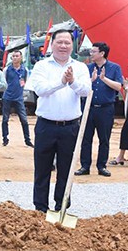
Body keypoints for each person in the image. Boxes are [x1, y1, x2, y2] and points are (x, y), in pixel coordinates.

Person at [29, 29, 92, 213]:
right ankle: (40, 208)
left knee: (66, 169)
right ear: (52, 43)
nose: (63, 46)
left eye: (67, 42)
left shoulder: (80, 67)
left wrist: (72, 82)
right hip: (46, 125)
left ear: (72, 46)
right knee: (42, 169)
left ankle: (62, 206)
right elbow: (40, 90)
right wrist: (61, 81)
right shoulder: (42, 66)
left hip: (70, 127)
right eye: (60, 42)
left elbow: (86, 91)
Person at [75, 42, 123, 177]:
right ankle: (85, 166)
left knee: (104, 138)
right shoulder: (86, 68)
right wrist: (92, 79)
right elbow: (81, 86)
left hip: (105, 109)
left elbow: (118, 87)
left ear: (102, 53)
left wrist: (103, 79)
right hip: (88, 107)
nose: (91, 54)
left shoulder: (114, 68)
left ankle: (101, 166)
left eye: (93, 52)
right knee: (86, 138)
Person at [1, 50, 33, 147]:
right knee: (5, 119)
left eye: (17, 56)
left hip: (19, 98)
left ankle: (27, 140)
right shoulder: (7, 69)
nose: (15, 58)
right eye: (13, 56)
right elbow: (4, 82)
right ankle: (5, 138)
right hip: (7, 97)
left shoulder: (25, 70)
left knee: (24, 119)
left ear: (21, 58)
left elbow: (25, 82)